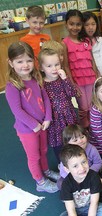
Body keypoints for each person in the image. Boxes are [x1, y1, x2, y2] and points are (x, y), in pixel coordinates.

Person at [5, 42, 59, 193]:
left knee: (43, 150)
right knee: (34, 156)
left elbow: (46, 99)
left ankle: (46, 172)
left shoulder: (36, 78)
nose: (25, 65)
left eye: (28, 60)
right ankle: (40, 182)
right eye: (19, 61)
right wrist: (34, 124)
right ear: (11, 62)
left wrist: (48, 118)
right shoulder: (12, 86)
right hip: (27, 129)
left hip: (42, 125)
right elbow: (17, 110)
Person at [38, 48, 78, 162]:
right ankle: (63, 165)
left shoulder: (62, 79)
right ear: (41, 68)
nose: (54, 68)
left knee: (72, 139)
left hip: (68, 115)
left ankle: (75, 160)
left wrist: (65, 78)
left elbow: (72, 93)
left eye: (57, 64)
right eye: (49, 66)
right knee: (58, 144)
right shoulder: (41, 84)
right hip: (54, 120)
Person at [62, 9, 99, 129]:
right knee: (83, 107)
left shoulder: (86, 40)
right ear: (66, 24)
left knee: (92, 105)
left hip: (91, 78)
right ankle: (85, 129)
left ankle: (94, 128)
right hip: (77, 81)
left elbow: (92, 59)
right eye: (71, 24)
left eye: (78, 24)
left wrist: (97, 74)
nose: (75, 27)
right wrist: (72, 84)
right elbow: (66, 65)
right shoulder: (64, 43)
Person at [59, 144, 102, 216]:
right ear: (67, 169)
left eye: (84, 162)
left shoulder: (94, 177)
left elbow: (94, 203)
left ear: (87, 160)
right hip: (75, 209)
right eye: (75, 166)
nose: (82, 168)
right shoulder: (66, 184)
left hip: (90, 207)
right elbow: (71, 210)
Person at [57, 124, 102, 189]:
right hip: (74, 175)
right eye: (75, 140)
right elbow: (63, 171)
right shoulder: (66, 154)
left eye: (82, 137)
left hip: (88, 172)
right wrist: (75, 178)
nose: (80, 141)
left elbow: (98, 163)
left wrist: (88, 173)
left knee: (97, 182)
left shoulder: (92, 149)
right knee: (60, 183)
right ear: (67, 143)